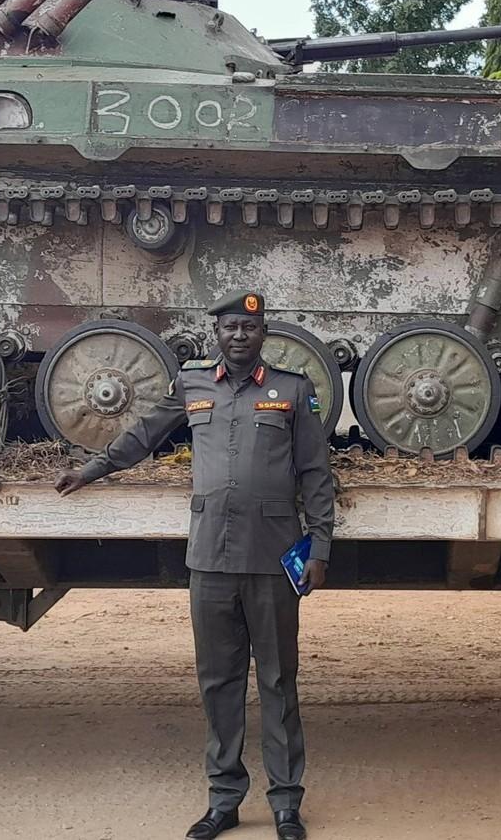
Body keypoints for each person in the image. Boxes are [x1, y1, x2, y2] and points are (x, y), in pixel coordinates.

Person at [56, 290, 334, 840]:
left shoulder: (292, 391)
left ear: (263, 335)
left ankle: (285, 805)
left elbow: (315, 474)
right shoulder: (192, 384)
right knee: (218, 682)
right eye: (230, 327)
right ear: (217, 332)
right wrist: (92, 469)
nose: (239, 336)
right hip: (209, 557)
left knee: (279, 681)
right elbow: (143, 436)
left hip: (275, 556)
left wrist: (320, 548)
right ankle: (225, 799)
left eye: (249, 328)